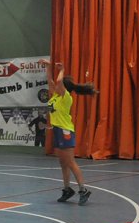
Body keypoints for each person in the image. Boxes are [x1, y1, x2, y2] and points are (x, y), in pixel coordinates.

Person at [41, 59, 97, 205]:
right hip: (58, 130)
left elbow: (59, 81)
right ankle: (67, 189)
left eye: (60, 85)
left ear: (64, 88)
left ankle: (83, 189)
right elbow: (50, 80)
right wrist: (48, 66)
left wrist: (62, 70)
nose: (56, 86)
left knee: (70, 162)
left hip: (65, 131)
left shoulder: (66, 98)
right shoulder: (55, 96)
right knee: (62, 162)